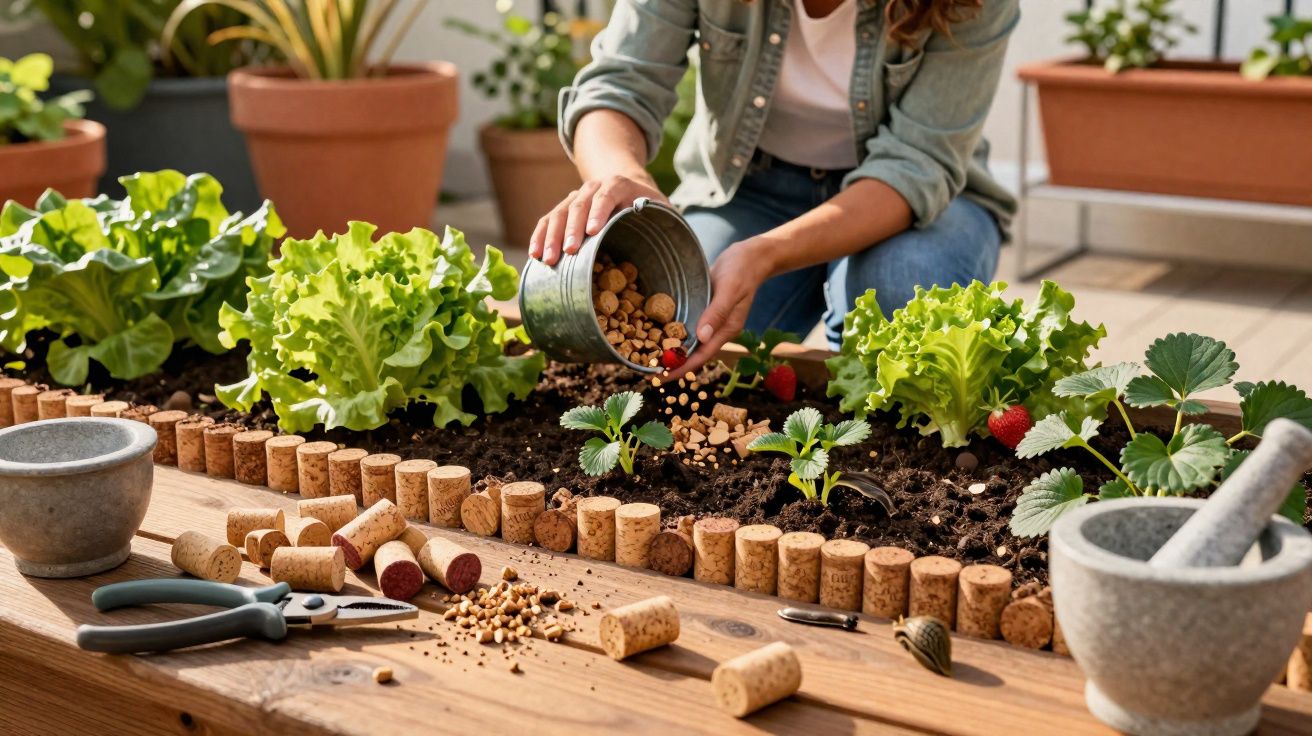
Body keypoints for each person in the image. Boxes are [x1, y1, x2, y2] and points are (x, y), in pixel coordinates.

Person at [530, 0, 1019, 373]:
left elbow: (915, 167)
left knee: (895, 301)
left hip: (917, 204)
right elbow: (619, 85)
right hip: (752, 189)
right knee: (684, 332)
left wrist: (765, 254)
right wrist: (625, 176)